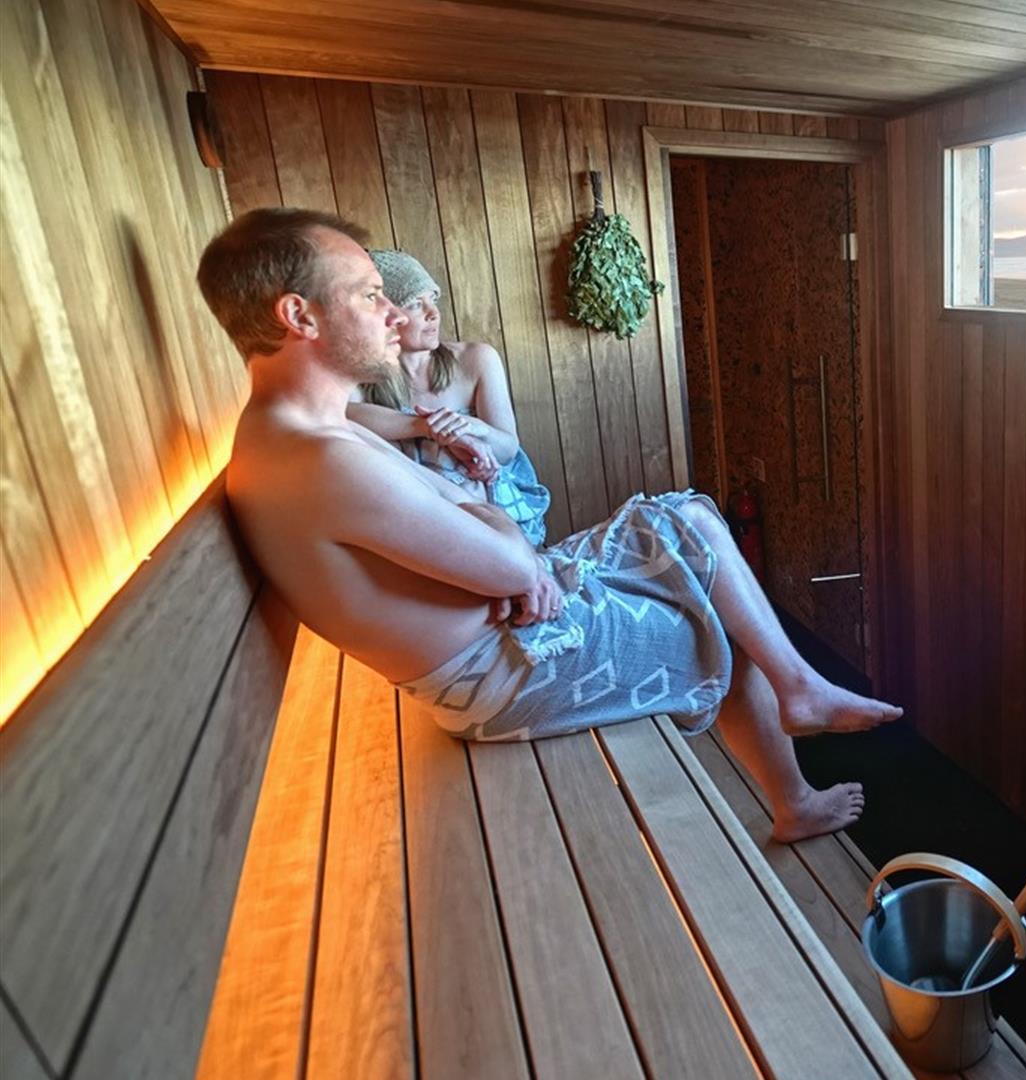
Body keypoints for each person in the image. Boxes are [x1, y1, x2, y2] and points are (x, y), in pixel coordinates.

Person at [196, 207, 901, 842]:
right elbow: (502, 547)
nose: (391, 311)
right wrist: (502, 552)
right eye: (367, 292)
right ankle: (796, 781)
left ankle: (800, 696)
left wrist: (496, 545)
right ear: (300, 315)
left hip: (508, 630)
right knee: (715, 611)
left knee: (681, 514)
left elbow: (488, 523)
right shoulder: (317, 458)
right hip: (504, 674)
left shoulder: (305, 434)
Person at [347, 249, 550, 546]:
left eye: (434, 299)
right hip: (423, 514)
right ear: (385, 317)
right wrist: (425, 427)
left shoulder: (476, 359)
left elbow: (507, 449)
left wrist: (469, 429)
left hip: (492, 502)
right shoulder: (366, 378)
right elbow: (344, 415)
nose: (433, 313)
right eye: (416, 304)